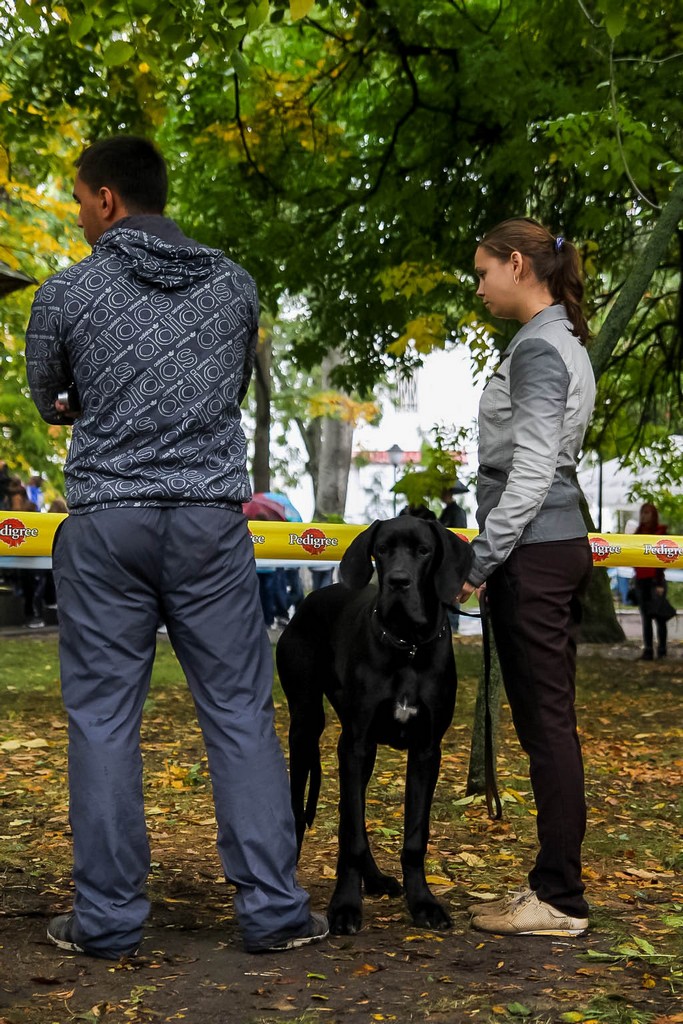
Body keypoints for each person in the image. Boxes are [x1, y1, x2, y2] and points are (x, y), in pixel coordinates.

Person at [25, 135, 327, 959]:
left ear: (108, 202)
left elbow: (51, 401)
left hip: (106, 528)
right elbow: (225, 389)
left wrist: (96, 400)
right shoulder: (235, 287)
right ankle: (272, 912)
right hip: (207, 526)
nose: (81, 215)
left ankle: (109, 923)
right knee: (238, 714)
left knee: (102, 721)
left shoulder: (65, 292)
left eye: (82, 200)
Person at [457, 217, 596, 937]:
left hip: (534, 554)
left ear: (517, 264)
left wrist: (481, 561)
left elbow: (534, 469)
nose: (478, 286)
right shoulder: (552, 340)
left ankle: (560, 899)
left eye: (483, 271)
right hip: (547, 548)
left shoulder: (540, 348)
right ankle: (551, 884)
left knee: (546, 726)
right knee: (547, 724)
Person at [633, 502, 668, 660]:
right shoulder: (637, 533)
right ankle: (648, 650)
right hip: (641, 581)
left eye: (648, 512)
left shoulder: (660, 532)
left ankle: (662, 650)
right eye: (643, 512)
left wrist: (660, 583)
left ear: (653, 515)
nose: (644, 516)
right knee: (646, 618)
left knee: (660, 617)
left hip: (656, 581)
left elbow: (662, 559)